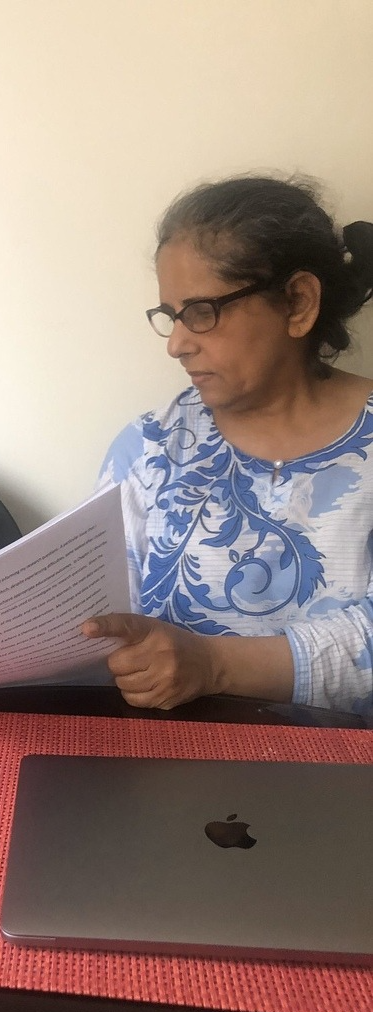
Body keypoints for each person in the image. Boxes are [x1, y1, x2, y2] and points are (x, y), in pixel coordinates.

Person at [81, 174, 373, 718]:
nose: (176, 343)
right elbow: (102, 620)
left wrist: (213, 664)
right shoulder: (149, 449)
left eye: (201, 312)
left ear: (298, 303)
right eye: (171, 315)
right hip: (164, 766)